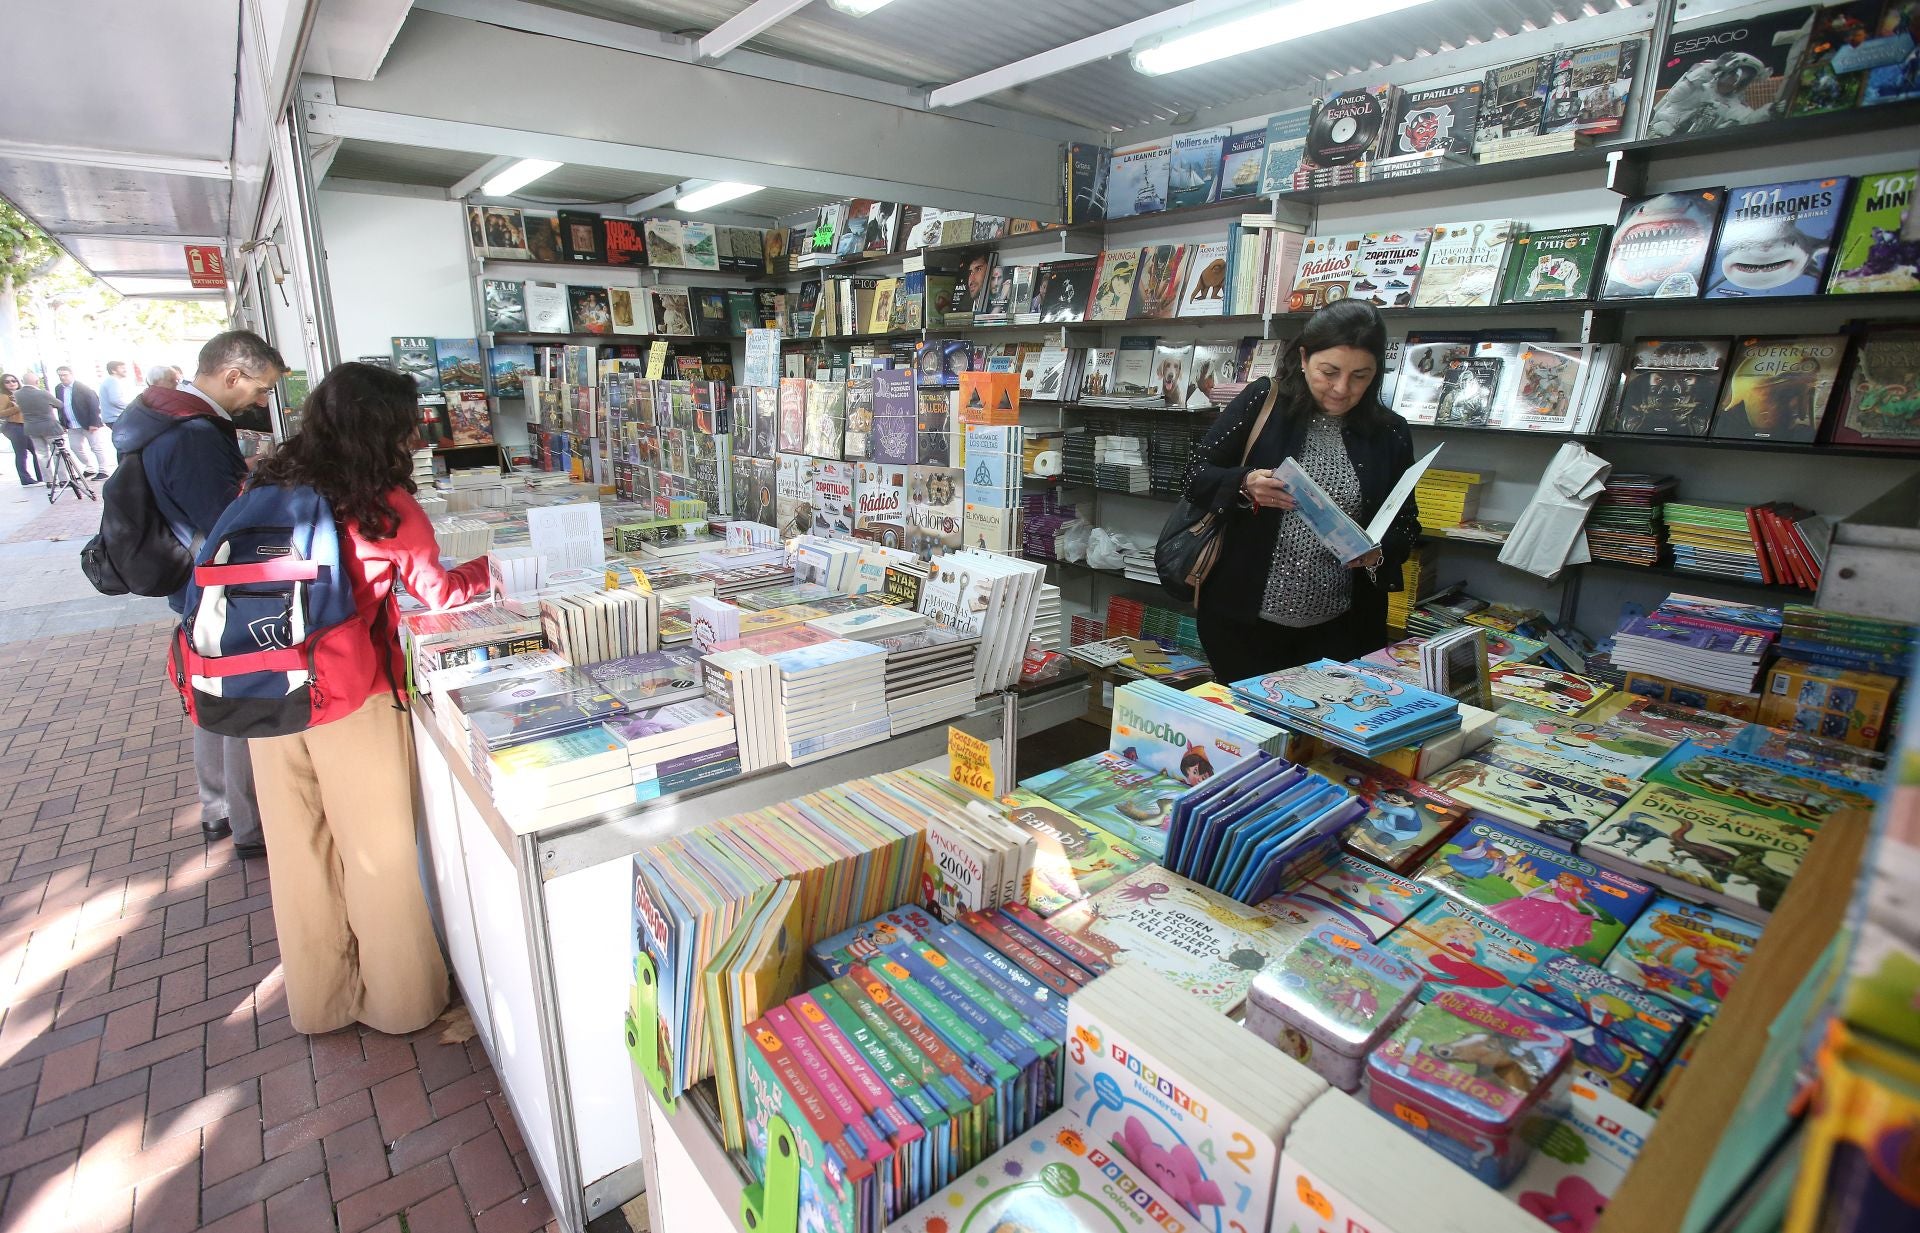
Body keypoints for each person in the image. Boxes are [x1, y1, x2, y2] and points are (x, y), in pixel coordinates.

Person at [245, 362, 490, 1034]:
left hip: (265, 692)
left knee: (298, 852)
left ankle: (320, 1002)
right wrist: (493, 567)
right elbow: (437, 592)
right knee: (377, 854)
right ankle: (403, 1001)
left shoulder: (267, 482)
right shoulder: (384, 504)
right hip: (351, 696)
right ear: (387, 431)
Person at [1180, 300, 1420, 686]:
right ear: (1305, 358)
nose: (1342, 389)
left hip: (1341, 627)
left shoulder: (1389, 431)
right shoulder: (1264, 401)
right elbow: (1194, 476)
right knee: (1253, 733)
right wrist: (1245, 483)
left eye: (1360, 376)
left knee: (1321, 742)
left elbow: (1406, 521)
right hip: (1242, 620)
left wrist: (1378, 553)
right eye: (1329, 372)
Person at [113, 331, 286, 858]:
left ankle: (220, 808)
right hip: (219, 586)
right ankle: (248, 822)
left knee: (212, 695)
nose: (260, 403)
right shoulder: (193, 434)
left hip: (194, 582)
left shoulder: (162, 419)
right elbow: (226, 523)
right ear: (232, 375)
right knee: (241, 700)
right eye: (260, 389)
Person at [54, 366, 108, 478]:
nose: (62, 377)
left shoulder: (82, 388)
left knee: (96, 447)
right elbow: (61, 406)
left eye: (65, 374)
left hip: (87, 423)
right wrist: (63, 422)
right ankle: (89, 467)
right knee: (75, 447)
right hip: (72, 425)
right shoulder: (59, 388)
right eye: (60, 375)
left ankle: (103, 470)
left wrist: (93, 422)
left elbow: (94, 405)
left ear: (71, 374)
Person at [15, 373, 67, 484]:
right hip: (50, 427)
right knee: (57, 453)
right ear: (37, 382)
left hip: (32, 428)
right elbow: (59, 404)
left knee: (41, 455)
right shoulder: (43, 393)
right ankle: (63, 479)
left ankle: (48, 480)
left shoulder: (17, 394)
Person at [0, 374, 40, 488]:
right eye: (7, 382)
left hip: (28, 425)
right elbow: (1, 413)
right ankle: (25, 479)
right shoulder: (4, 396)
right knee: (21, 453)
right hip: (15, 426)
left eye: (14, 381)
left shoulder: (22, 393)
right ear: (3, 384)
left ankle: (41, 477)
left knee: (36, 452)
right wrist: (18, 407)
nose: (11, 383)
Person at [98, 360, 139, 427]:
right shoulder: (113, 381)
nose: (125, 369)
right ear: (113, 370)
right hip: (116, 418)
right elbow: (116, 400)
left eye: (124, 367)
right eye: (121, 368)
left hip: (114, 419)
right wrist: (133, 407)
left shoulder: (111, 381)